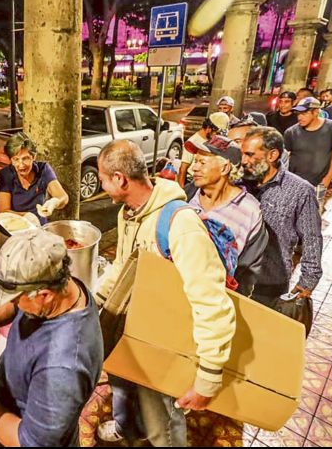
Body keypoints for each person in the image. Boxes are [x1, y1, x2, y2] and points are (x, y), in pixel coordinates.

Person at [95, 140, 235, 446]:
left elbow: (212, 304)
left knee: (162, 418)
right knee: (124, 386)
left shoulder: (179, 225)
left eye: (103, 179)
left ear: (119, 179)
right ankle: (130, 430)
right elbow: (122, 264)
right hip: (134, 329)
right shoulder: (129, 213)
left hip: (165, 343)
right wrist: (95, 300)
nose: (102, 186)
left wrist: (208, 378)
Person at [0, 230, 103, 447]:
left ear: (44, 295)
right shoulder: (63, 285)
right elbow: (16, 308)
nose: (14, 304)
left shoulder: (62, 368)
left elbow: (27, 442)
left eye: (17, 299)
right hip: (13, 407)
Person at [240, 127, 323, 307]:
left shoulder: (300, 191)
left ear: (272, 155)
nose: (243, 161)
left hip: (269, 283)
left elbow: (311, 237)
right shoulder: (239, 184)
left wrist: (308, 281)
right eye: (242, 154)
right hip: (235, 277)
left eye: (250, 154)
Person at [187, 135, 266, 296]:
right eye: (195, 161)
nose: (193, 168)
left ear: (225, 168)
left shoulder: (251, 211)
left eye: (202, 162)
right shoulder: (186, 195)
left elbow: (247, 272)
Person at [284, 97, 332, 211]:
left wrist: (327, 179)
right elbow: (286, 157)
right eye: (298, 114)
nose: (300, 117)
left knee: (312, 219)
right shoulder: (291, 132)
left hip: (318, 183)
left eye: (304, 113)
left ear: (316, 112)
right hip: (294, 183)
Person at [0, 132, 69, 225]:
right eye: (16, 159)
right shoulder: (6, 174)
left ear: (33, 157)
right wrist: (26, 217)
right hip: (13, 232)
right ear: (11, 160)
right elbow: (3, 211)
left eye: (25, 158)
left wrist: (54, 203)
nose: (21, 165)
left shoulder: (43, 169)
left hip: (38, 229)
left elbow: (63, 197)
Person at [177, 111, 229, 187]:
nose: (218, 137)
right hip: (194, 182)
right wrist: (182, 192)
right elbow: (182, 170)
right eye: (216, 133)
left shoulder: (216, 140)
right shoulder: (193, 142)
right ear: (208, 128)